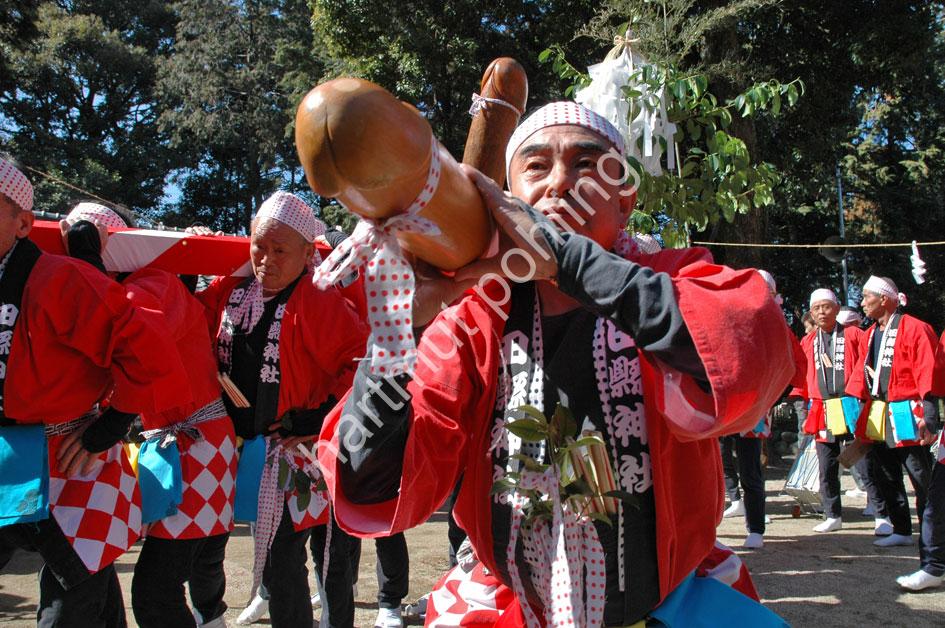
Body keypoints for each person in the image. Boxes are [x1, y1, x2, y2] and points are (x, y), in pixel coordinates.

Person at [317, 102, 796, 626]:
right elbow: (370, 481)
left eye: (587, 165)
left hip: (671, 608)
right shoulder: (473, 320)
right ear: (506, 197)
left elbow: (746, 355)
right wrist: (398, 334)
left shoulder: (675, 276)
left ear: (625, 199)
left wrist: (565, 259)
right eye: (537, 167)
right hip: (509, 611)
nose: (561, 183)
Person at [0, 158, 189, 626]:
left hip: (73, 458)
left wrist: (109, 428)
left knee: (70, 606)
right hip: (10, 456)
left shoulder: (62, 279)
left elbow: (150, 352)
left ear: (25, 222)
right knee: (91, 595)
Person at [58, 203, 239, 628]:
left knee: (157, 592)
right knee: (128, 578)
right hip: (172, 445)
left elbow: (133, 342)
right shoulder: (136, 287)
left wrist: (87, 267)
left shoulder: (152, 285)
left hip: (198, 447)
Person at [198, 191, 368, 628]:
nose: (265, 260)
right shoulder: (232, 290)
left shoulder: (317, 295)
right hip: (243, 446)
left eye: (279, 250)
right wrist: (186, 268)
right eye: (258, 245)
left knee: (314, 558)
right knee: (272, 557)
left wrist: (324, 413)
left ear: (309, 252)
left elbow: (363, 360)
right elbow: (190, 324)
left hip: (301, 449)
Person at [855, 276, 940, 548]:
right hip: (879, 410)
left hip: (906, 408)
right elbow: (861, 376)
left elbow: (928, 371)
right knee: (885, 472)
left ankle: (935, 527)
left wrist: (929, 415)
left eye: (866, 296)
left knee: (918, 471)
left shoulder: (916, 328)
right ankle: (902, 528)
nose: (862, 302)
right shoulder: (869, 334)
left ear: (884, 299)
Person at [795, 288, 866, 533]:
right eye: (816, 308)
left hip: (850, 402)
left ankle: (881, 512)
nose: (822, 312)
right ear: (811, 313)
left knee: (863, 459)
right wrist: (804, 403)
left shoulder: (854, 334)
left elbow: (863, 367)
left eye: (826, 306)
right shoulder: (808, 341)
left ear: (837, 309)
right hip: (822, 407)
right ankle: (832, 513)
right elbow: (804, 375)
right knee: (826, 463)